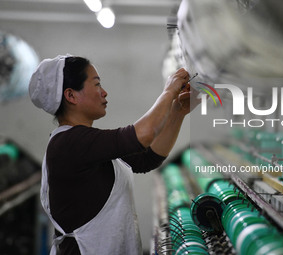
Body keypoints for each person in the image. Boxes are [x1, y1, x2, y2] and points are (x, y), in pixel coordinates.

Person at [29, 55, 196, 255]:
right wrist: (169, 91)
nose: (104, 92)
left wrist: (177, 112)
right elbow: (143, 134)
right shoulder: (69, 143)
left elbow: (146, 159)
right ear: (71, 95)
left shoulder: (86, 142)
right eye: (97, 84)